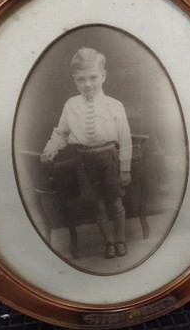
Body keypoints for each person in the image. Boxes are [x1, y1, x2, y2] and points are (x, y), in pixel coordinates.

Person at [41, 48, 133, 259]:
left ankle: (120, 241)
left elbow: (125, 139)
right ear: (75, 80)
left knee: (116, 204)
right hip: (84, 162)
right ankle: (109, 243)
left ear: (103, 76)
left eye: (93, 77)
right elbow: (61, 133)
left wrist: (124, 169)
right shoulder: (71, 105)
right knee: (98, 206)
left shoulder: (114, 105)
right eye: (81, 79)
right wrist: (50, 149)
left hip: (109, 159)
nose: (88, 84)